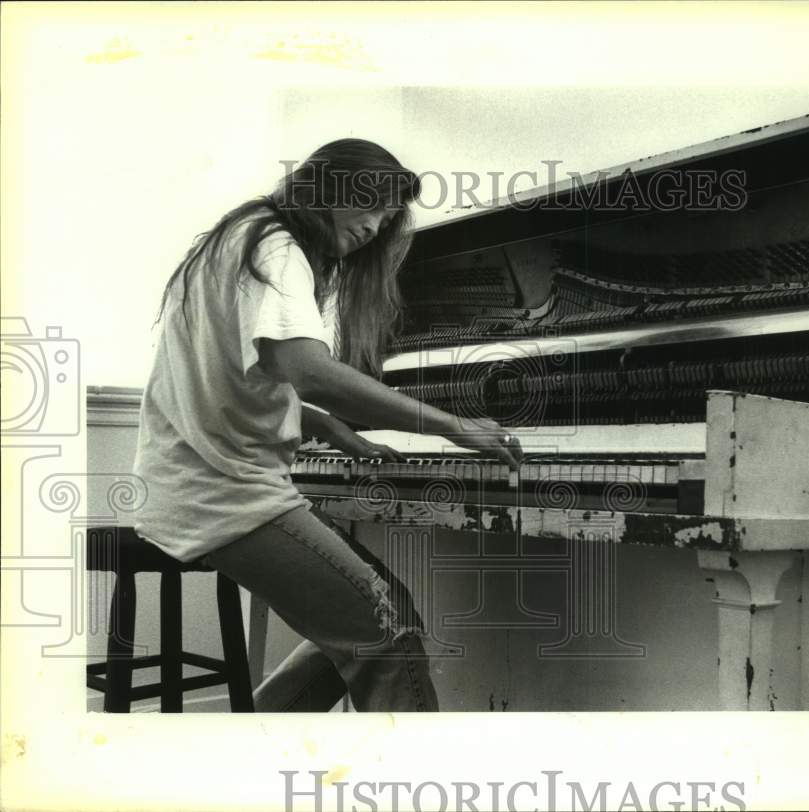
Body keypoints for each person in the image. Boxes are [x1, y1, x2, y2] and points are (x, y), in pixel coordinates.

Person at [133, 139, 523, 712]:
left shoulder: (236, 238)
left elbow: (229, 379)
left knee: (383, 615)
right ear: (331, 187)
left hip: (185, 486)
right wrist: (456, 426)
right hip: (224, 498)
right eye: (372, 206)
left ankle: (253, 748)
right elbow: (308, 371)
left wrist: (323, 424)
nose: (375, 225)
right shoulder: (278, 250)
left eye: (389, 217)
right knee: (388, 637)